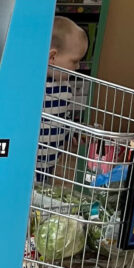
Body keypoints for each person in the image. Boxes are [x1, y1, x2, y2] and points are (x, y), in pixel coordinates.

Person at [37, 16, 89, 180]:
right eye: (74, 61)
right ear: (52, 57)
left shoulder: (65, 88)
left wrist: (72, 133)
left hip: (51, 162)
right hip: (29, 161)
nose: (78, 67)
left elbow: (62, 119)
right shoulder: (33, 88)